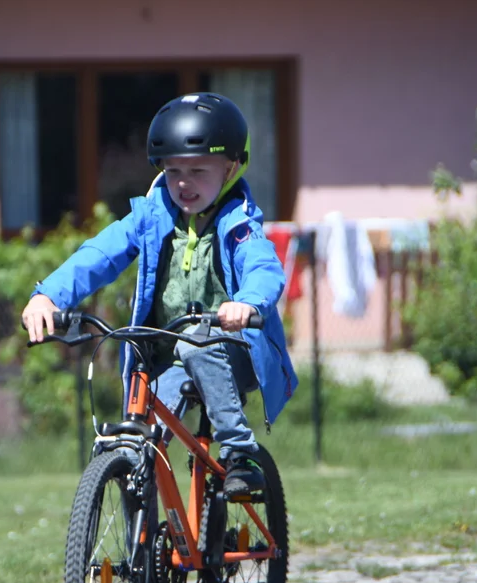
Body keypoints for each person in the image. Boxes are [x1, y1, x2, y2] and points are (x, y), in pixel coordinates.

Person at [21, 92, 298, 496]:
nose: (184, 183)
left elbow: (263, 268)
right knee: (142, 445)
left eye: (199, 170)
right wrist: (49, 296)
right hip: (168, 355)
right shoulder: (150, 217)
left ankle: (240, 452)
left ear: (231, 167)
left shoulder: (239, 226)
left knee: (199, 346)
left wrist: (248, 303)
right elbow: (99, 253)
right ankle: (146, 545)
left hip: (230, 347)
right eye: (173, 171)